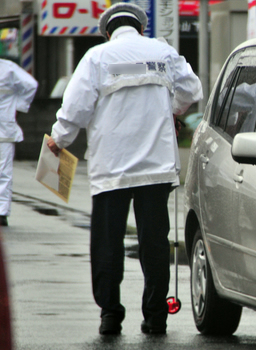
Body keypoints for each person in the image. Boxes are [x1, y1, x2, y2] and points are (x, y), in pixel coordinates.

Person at [46, 2, 202, 335]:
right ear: (141, 28)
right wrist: (170, 111)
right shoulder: (161, 52)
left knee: (107, 242)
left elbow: (75, 108)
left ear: (108, 31)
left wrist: (59, 139)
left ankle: (110, 315)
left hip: (111, 168)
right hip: (155, 167)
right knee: (155, 243)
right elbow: (192, 89)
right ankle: (156, 316)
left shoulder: (97, 57)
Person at [0, 59, 38, 227]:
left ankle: (1, 211)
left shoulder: (8, 69)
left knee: (3, 171)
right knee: (3, 172)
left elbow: (31, 85)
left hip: (4, 130)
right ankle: (1, 212)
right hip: (4, 128)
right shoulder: (8, 69)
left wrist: (19, 107)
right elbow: (30, 85)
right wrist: (19, 108)